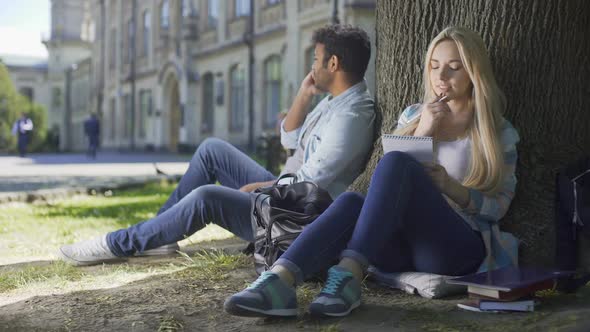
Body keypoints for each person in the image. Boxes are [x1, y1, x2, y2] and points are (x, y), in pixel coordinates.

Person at [224, 26, 521, 318]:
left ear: (473, 73)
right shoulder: (412, 116)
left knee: (395, 162)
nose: (441, 77)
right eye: (434, 66)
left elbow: (498, 208)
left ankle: (348, 277)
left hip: (453, 247)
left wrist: (451, 187)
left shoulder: (497, 132)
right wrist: (426, 128)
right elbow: (390, 184)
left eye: (453, 68)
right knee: (352, 202)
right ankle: (279, 281)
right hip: (399, 245)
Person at [58, 24, 376, 266]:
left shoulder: (352, 115)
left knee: (206, 197)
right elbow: (289, 140)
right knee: (212, 149)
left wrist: (261, 188)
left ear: (333, 64)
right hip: (282, 194)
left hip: (289, 217)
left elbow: (310, 182)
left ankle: (119, 243)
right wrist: (304, 95)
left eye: (317, 60)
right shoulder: (333, 101)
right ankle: (157, 234)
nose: (312, 66)